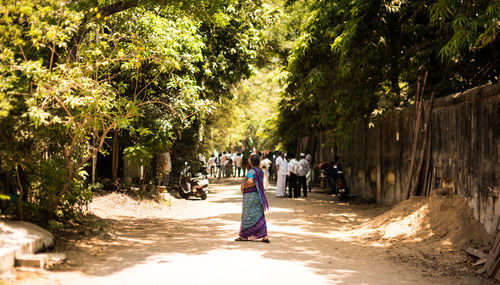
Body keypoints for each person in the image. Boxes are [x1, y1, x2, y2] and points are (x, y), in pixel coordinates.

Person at [235, 153, 270, 243]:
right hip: (258, 196)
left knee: (247, 215)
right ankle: (264, 236)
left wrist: (243, 185)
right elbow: (256, 182)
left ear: (250, 162)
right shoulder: (260, 171)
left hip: (250, 197)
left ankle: (244, 236)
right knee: (259, 214)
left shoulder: (251, 172)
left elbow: (250, 181)